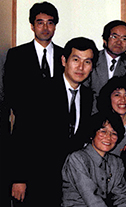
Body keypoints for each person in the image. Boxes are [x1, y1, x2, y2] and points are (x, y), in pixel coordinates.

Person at [10, 37, 99, 206]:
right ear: (64, 60)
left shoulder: (87, 96)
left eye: (87, 62)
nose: (81, 67)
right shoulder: (40, 89)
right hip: (37, 177)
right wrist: (19, 178)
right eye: (76, 60)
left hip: (69, 182)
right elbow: (21, 133)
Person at [1, 2, 63, 206]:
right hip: (27, 146)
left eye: (50, 23)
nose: (45, 28)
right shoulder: (17, 56)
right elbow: (12, 101)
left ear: (55, 26)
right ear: (31, 25)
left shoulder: (66, 56)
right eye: (40, 22)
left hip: (58, 152)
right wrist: (18, 175)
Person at [62, 112, 126, 207]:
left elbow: (121, 198)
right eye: (103, 131)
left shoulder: (116, 163)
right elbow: (92, 199)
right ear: (92, 134)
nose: (108, 137)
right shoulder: (77, 158)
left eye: (114, 133)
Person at [84, 20, 126, 113]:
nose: (119, 42)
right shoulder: (91, 59)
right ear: (105, 39)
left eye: (124, 38)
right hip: (91, 116)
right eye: (114, 37)